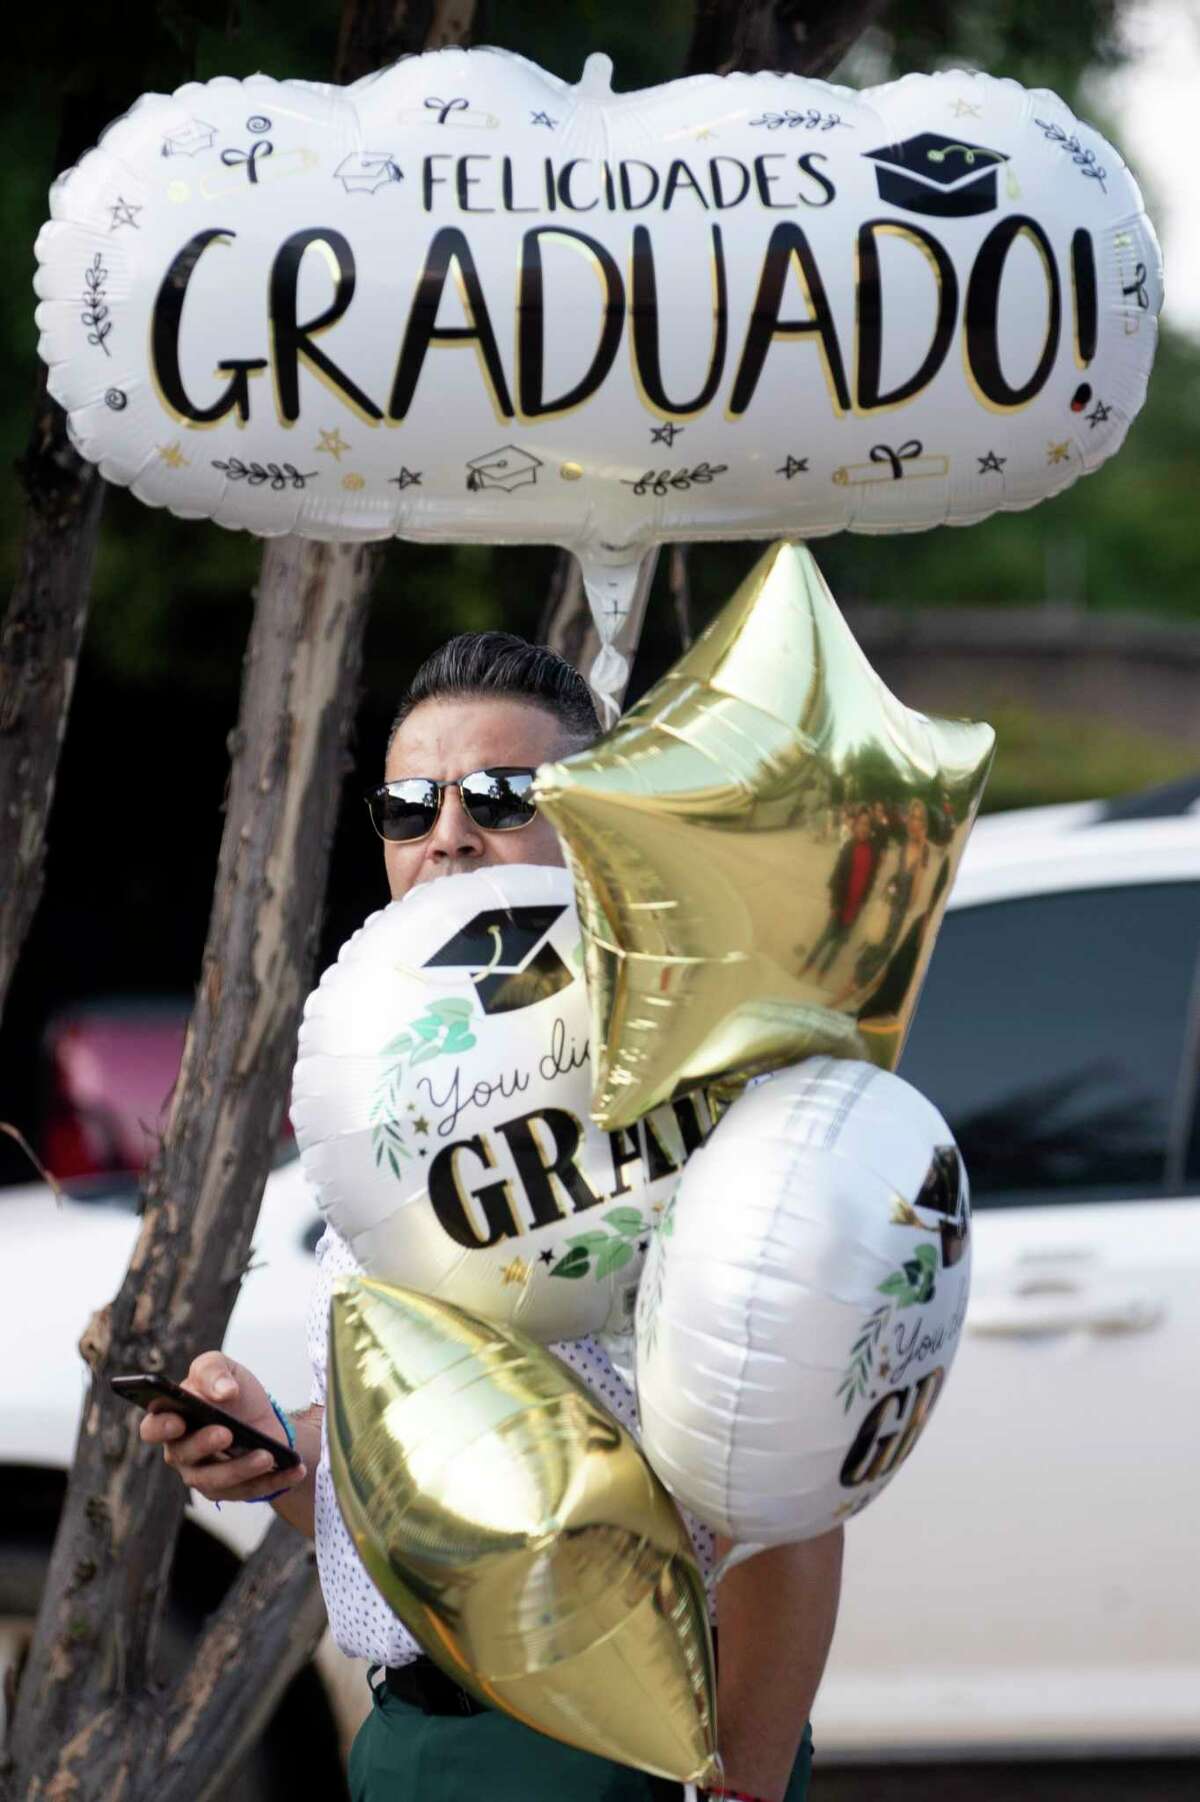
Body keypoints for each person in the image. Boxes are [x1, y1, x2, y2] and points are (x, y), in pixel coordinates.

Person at [141, 633, 844, 1802]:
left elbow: (791, 1492)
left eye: (505, 796)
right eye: (411, 804)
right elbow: (441, 1463)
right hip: (418, 1734)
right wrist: (278, 1451)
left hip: (634, 1736)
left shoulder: (698, 1083)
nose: (449, 833)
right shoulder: (385, 1091)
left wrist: (746, 1782)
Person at [802, 805, 881, 979]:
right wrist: (834, 904)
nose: (864, 828)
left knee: (838, 944)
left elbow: (871, 877)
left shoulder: (873, 851)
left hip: (855, 907)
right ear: (855, 825)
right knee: (825, 937)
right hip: (840, 904)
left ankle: (823, 971)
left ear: (870, 828)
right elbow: (836, 877)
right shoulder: (848, 847)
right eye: (861, 823)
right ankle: (808, 964)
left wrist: (864, 900)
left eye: (867, 824)